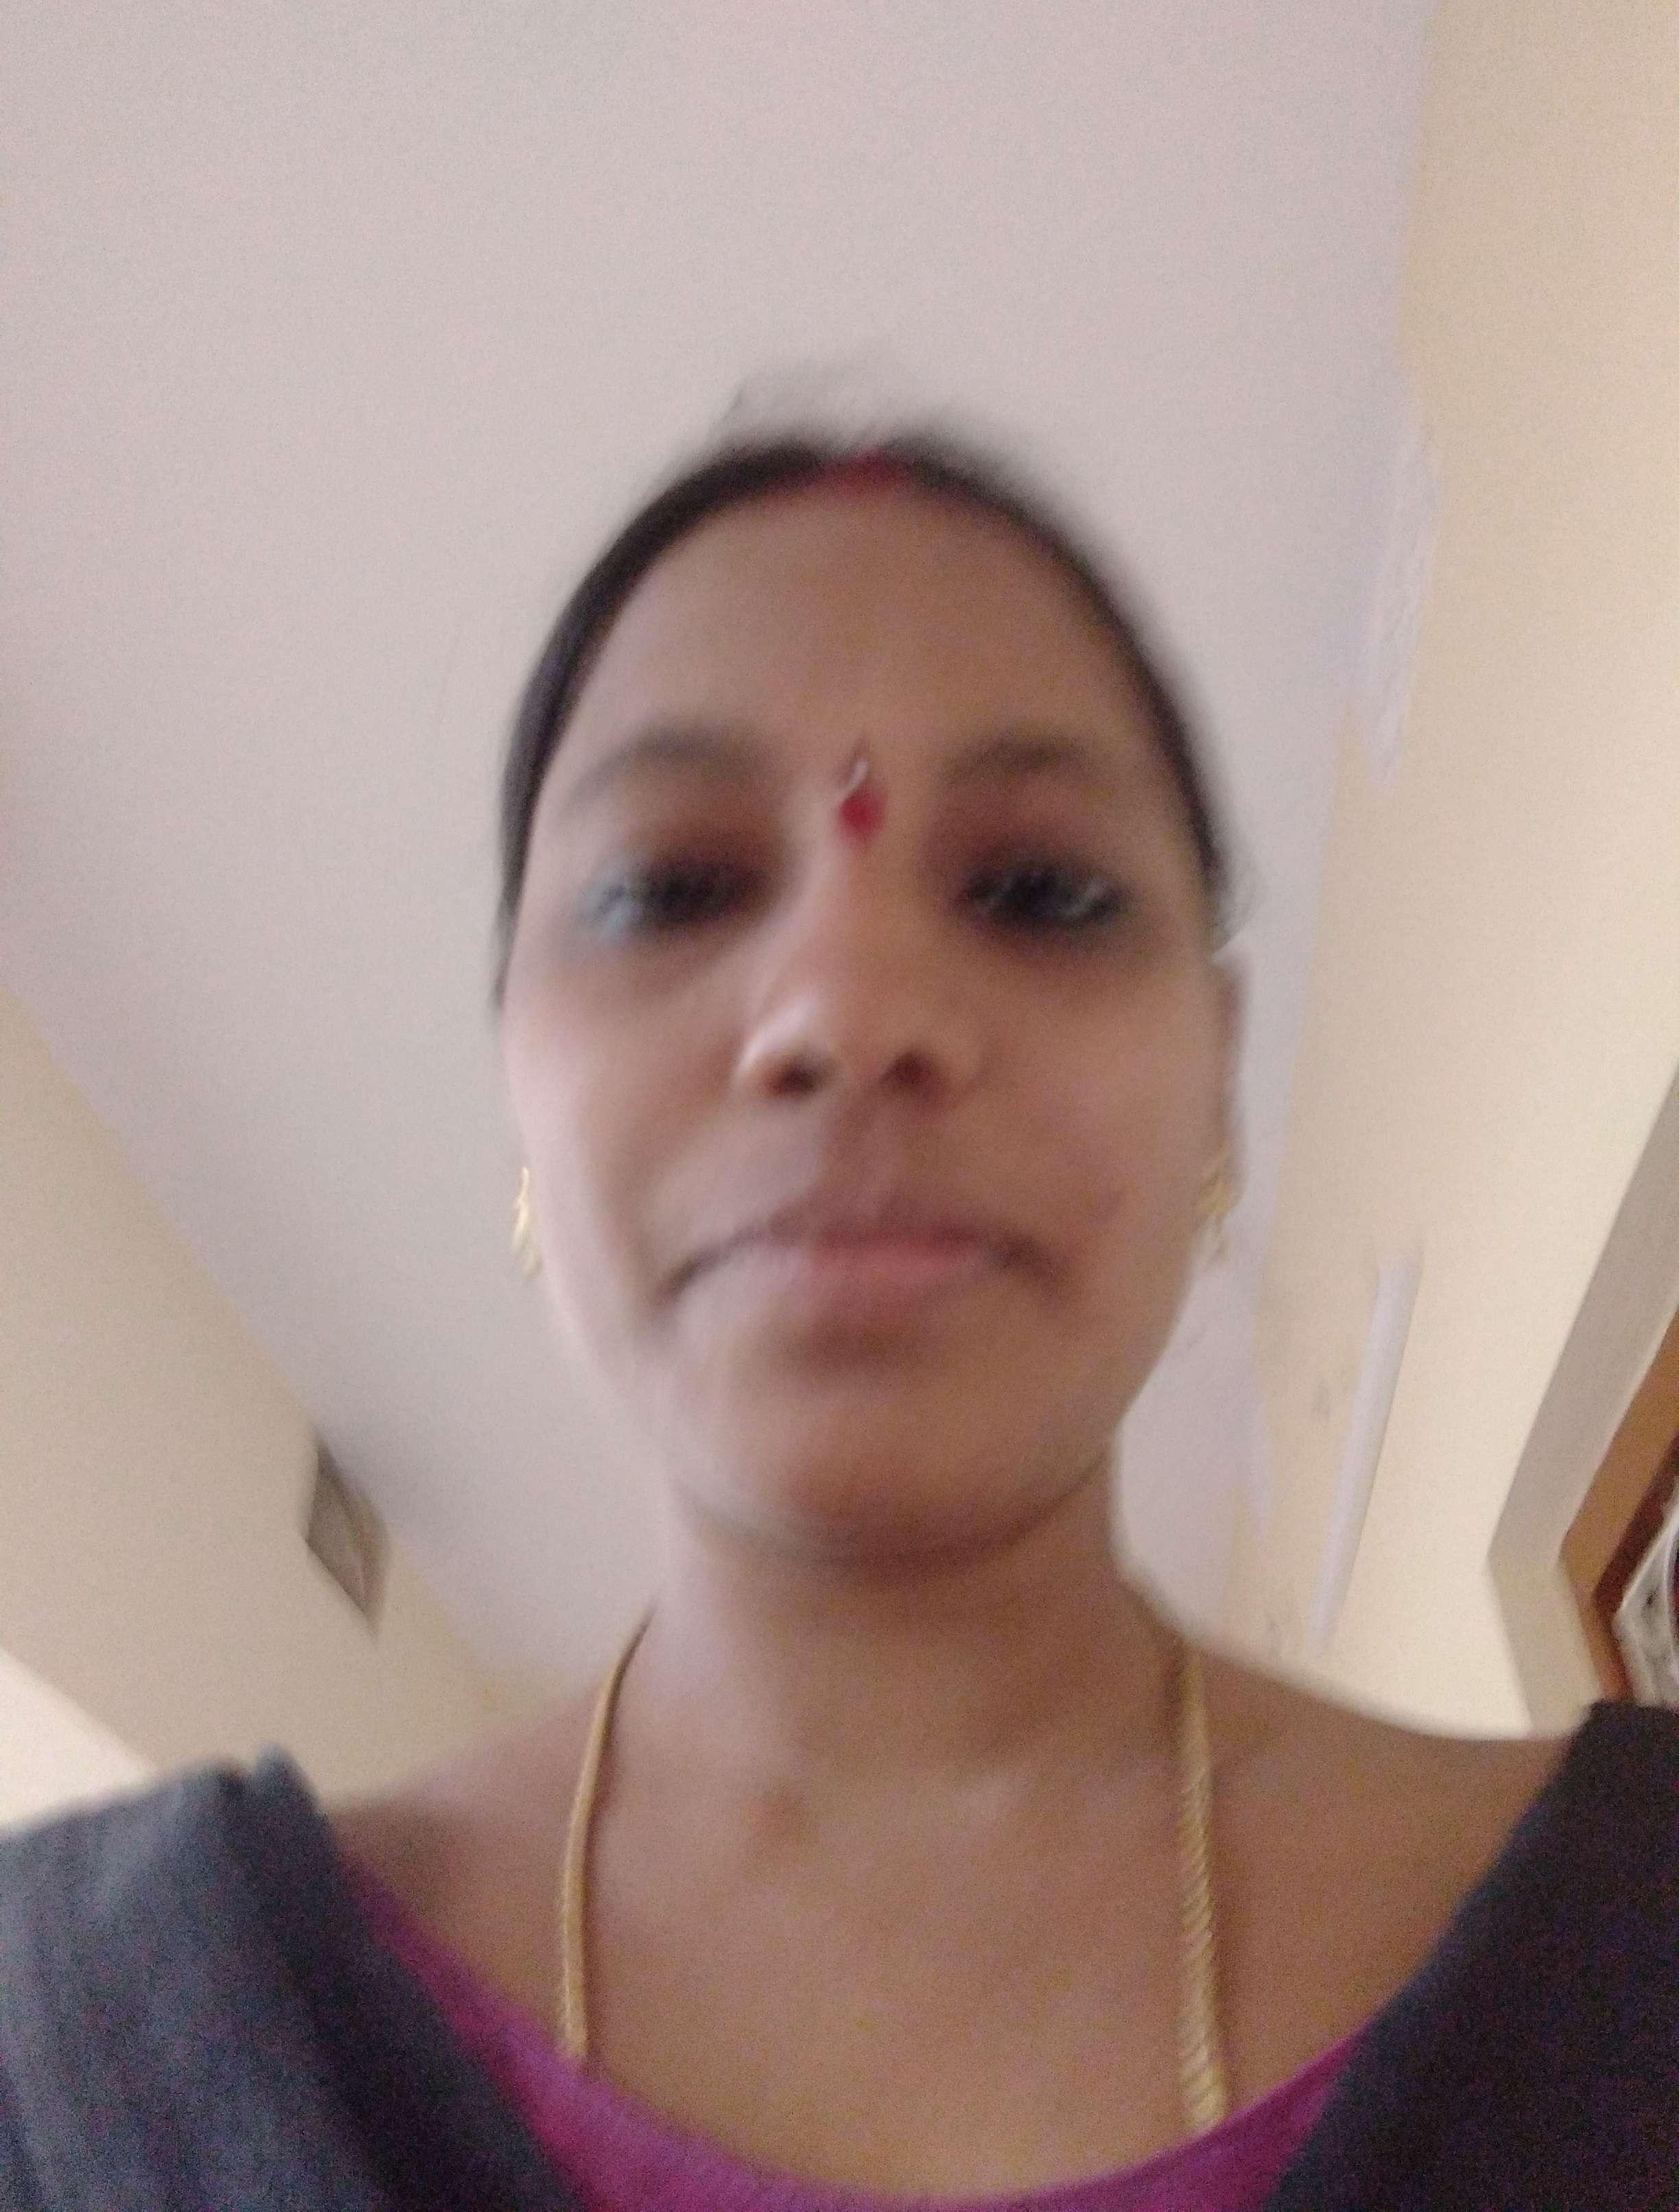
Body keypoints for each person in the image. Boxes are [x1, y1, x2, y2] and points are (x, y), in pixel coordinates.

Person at [3, 429, 1676, 2211]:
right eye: (671, 887)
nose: (850, 1010)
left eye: (1038, 890)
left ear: (1219, 1078)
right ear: (517, 1086)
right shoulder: (71, 2066)